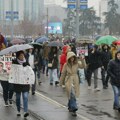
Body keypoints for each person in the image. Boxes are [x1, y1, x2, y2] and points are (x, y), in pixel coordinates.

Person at [60, 51, 86, 116]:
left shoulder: (76, 63)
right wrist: (61, 82)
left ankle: (70, 106)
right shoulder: (66, 64)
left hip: (75, 79)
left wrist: (82, 60)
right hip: (68, 80)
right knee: (72, 94)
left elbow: (83, 66)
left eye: (73, 57)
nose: (72, 59)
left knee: (71, 95)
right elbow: (63, 73)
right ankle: (74, 108)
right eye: (71, 57)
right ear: (68, 58)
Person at [12, 51, 30, 118]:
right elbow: (12, 71)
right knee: (18, 98)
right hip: (17, 83)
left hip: (25, 83)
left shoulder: (26, 62)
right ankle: (18, 110)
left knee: (25, 96)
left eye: (23, 55)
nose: (22, 57)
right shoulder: (14, 62)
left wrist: (27, 66)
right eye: (21, 56)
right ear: (18, 56)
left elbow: (30, 71)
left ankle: (25, 111)